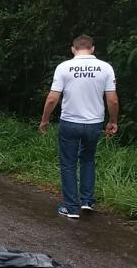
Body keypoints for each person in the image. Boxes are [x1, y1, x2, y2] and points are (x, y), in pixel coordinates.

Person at [39, 35, 119, 218]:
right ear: (92, 49)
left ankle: (71, 208)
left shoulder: (64, 67)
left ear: (73, 49)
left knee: (68, 164)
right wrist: (113, 121)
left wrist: (45, 119)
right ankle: (87, 201)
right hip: (94, 124)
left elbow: (52, 98)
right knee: (88, 159)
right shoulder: (105, 68)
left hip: (70, 122)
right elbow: (112, 100)